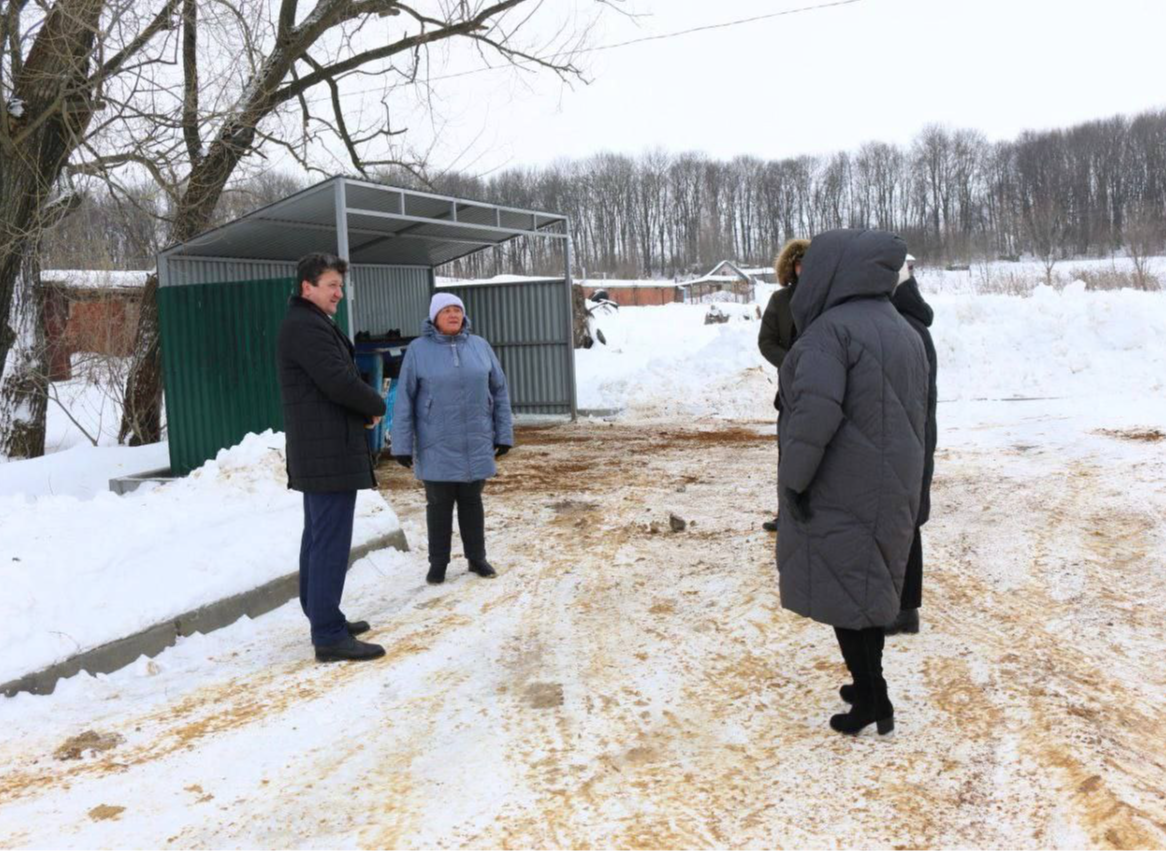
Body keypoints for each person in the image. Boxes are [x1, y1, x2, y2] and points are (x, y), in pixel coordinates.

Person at [776, 229, 928, 736]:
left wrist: (794, 484)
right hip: (892, 482)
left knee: (847, 596)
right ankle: (867, 687)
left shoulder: (829, 333)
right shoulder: (902, 329)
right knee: (868, 589)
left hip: (842, 483)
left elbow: (812, 420)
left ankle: (874, 698)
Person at [277, 252, 388, 663]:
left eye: (340, 286)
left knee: (318, 537)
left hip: (322, 449)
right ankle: (328, 634)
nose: (339, 293)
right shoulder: (306, 327)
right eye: (331, 286)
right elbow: (338, 381)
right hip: (326, 450)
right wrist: (374, 403)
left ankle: (324, 615)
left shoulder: (310, 322)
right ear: (307, 286)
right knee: (329, 542)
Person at [390, 293, 513, 585]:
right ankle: (438, 563)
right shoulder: (419, 350)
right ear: (434, 317)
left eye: (457, 309)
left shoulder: (480, 346)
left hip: (476, 439)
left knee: (472, 501)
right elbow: (404, 399)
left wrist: (504, 433)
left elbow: (499, 390)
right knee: (439, 505)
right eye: (446, 310)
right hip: (437, 441)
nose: (453, 314)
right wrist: (402, 444)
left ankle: (476, 557)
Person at [888, 254, 938, 636]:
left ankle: (904, 610)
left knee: (904, 523)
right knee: (906, 521)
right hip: (915, 437)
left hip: (910, 439)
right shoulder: (912, 321)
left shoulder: (906, 327)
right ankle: (905, 609)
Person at [758, 238, 810, 533]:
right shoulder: (779, 302)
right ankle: (786, 512)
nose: (804, 268)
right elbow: (766, 342)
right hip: (790, 389)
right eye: (799, 262)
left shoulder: (826, 299)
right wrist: (790, 362)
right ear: (791, 266)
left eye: (808, 263)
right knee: (787, 450)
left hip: (825, 384)